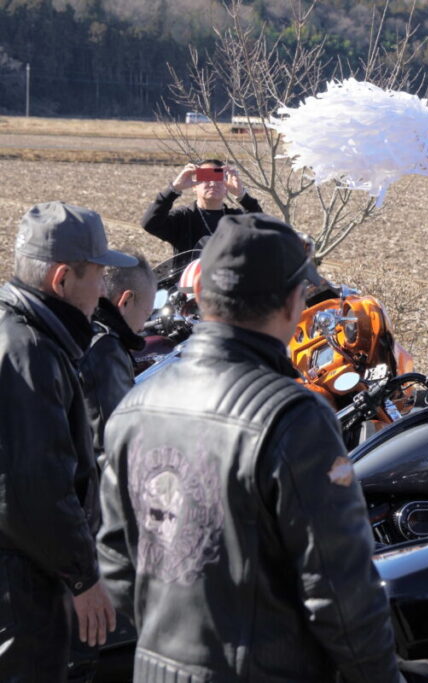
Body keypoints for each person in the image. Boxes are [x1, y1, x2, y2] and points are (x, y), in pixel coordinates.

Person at [97, 213, 400, 682]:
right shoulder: (293, 417)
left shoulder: (135, 405)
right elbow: (340, 592)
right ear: (293, 302)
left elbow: (117, 563)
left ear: (199, 295)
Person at [0, 202, 130, 678]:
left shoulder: (19, 332)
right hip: (21, 586)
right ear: (61, 280)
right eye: (97, 275)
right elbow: (35, 485)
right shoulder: (28, 351)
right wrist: (83, 577)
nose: (104, 291)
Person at [80, 252, 157, 460]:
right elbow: (113, 443)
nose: (143, 326)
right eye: (146, 314)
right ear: (126, 301)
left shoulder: (83, 328)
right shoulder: (106, 351)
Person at [141, 159, 262, 257]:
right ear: (194, 186)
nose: (213, 183)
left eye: (218, 178)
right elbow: (150, 224)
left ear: (226, 187)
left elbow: (263, 230)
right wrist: (174, 189)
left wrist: (242, 196)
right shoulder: (183, 218)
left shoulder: (237, 219)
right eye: (207, 177)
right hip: (188, 284)